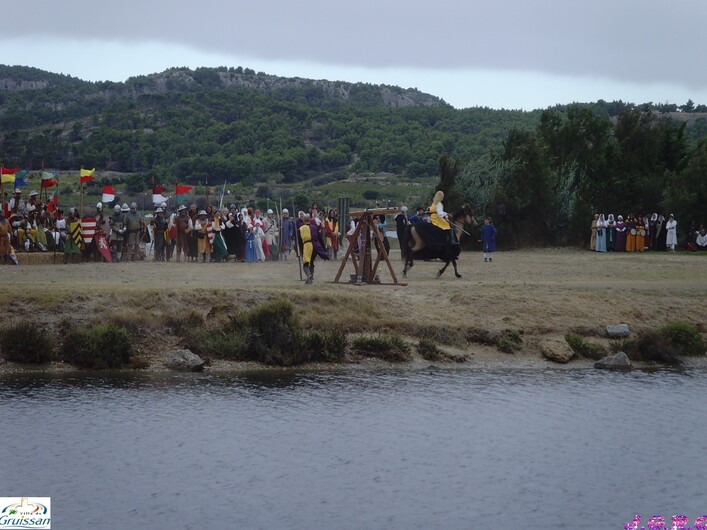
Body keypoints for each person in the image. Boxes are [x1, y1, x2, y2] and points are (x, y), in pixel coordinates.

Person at [299, 213, 329, 284]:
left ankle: (309, 275)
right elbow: (320, 239)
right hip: (315, 246)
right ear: (309, 220)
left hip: (307, 245)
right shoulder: (315, 227)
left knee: (306, 263)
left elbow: (300, 242)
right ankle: (311, 278)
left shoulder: (301, 228)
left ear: (304, 220)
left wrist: (300, 251)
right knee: (311, 262)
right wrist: (324, 249)